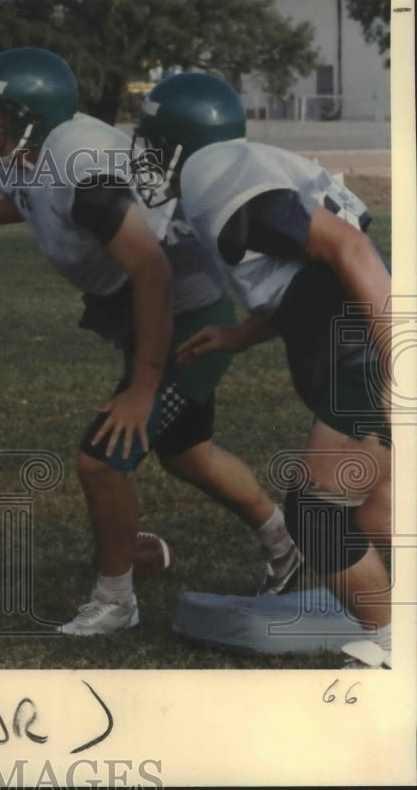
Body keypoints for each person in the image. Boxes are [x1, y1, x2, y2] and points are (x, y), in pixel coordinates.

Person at [0, 47, 300, 636]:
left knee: (100, 462)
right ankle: (284, 544)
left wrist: (143, 388)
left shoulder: (85, 168)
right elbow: (33, 198)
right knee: (188, 453)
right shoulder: (31, 149)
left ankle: (116, 600)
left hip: (182, 311)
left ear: (34, 115)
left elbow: (153, 272)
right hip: (147, 308)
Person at [133, 71, 393, 667]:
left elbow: (349, 251)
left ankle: (391, 641)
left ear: (183, 138)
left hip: (366, 354)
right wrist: (239, 334)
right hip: (359, 347)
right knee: (376, 509)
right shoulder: (250, 164)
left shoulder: (210, 173)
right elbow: (301, 280)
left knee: (316, 510)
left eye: (153, 140)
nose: (145, 155)